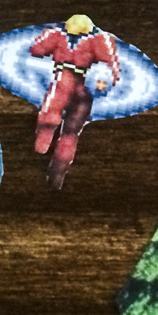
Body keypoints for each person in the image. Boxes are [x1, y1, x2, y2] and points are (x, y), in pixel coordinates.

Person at [29, 16, 120, 188]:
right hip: (84, 89)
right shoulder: (99, 40)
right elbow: (112, 67)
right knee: (71, 132)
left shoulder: (58, 35)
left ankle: (42, 146)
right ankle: (57, 173)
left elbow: (36, 49)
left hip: (66, 82)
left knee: (51, 116)